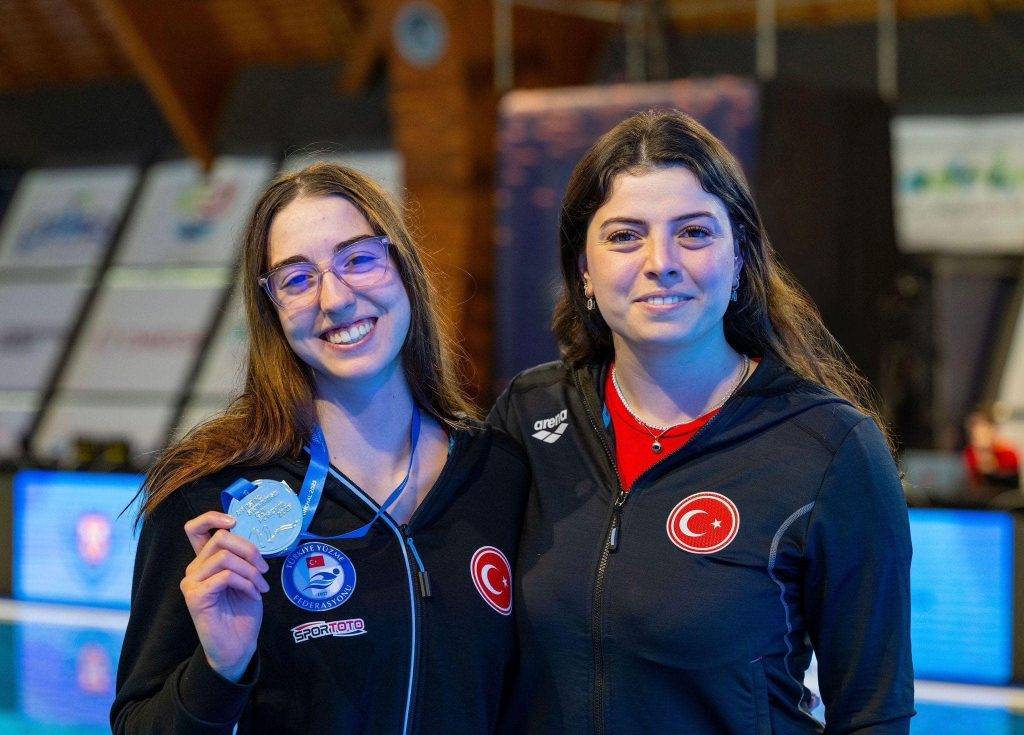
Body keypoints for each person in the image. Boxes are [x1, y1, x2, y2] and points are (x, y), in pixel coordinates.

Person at [490, 111, 914, 734]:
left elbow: (874, 713)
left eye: (693, 232)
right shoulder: (529, 416)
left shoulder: (830, 448)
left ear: (740, 257)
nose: (660, 262)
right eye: (625, 236)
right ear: (583, 269)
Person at [112, 163, 528, 734]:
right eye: (297, 279)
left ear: (402, 267)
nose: (334, 299)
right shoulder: (214, 497)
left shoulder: (498, 472)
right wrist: (219, 669)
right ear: (272, 309)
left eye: (358, 259)